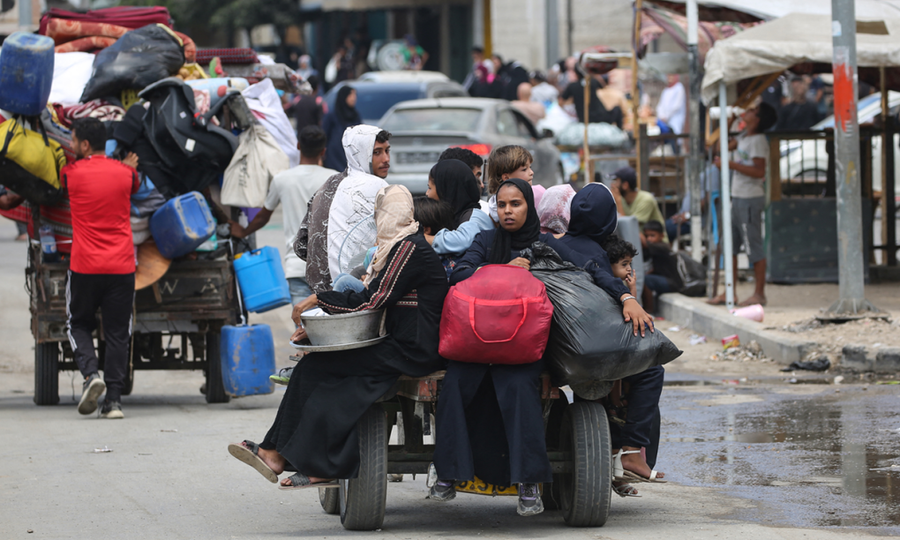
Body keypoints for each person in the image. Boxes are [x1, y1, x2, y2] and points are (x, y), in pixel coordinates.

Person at [431, 179, 650, 516]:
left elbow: (591, 269)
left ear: (528, 208)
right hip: (477, 343)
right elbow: (459, 274)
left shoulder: (543, 243)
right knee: (455, 385)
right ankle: (447, 475)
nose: (507, 211)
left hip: (522, 347)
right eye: (502, 205)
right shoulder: (486, 240)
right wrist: (501, 270)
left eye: (515, 204)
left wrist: (625, 297)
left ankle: (529, 483)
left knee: (521, 389)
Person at [228, 185, 448, 489]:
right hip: (398, 343)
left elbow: (372, 300)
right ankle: (275, 452)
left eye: (379, 212)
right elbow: (372, 300)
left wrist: (319, 300)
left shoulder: (409, 248)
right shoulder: (395, 248)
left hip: (413, 349)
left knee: (324, 374)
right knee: (309, 367)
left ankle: (318, 463)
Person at [61, 118, 140, 419]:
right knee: (118, 333)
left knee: (78, 323)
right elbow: (135, 183)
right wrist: (129, 167)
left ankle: (91, 375)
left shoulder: (70, 173)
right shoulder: (126, 174)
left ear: (83, 144)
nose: (69, 143)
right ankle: (115, 402)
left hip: (84, 266)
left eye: (72, 139)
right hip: (121, 267)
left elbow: (60, 188)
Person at [229, 126, 336, 305]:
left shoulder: (282, 179)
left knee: (302, 327)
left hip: (296, 266)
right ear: (323, 151)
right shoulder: (333, 179)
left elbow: (263, 216)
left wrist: (243, 232)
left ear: (298, 146)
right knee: (328, 327)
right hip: (327, 269)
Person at [293, 125, 390, 295]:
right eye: (377, 153)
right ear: (360, 154)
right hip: (360, 294)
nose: (386, 159)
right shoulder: (379, 186)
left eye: (387, 151)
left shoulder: (328, 185)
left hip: (322, 295)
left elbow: (301, 245)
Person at [709, 102, 777, 307]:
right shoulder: (744, 138)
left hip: (749, 197)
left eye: (752, 111)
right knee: (731, 244)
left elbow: (759, 171)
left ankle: (759, 293)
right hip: (738, 196)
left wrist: (730, 164)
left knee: (752, 245)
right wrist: (729, 120)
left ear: (757, 119)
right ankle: (730, 291)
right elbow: (719, 147)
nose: (747, 112)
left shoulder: (757, 141)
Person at [426, 160, 494, 276]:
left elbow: (463, 240)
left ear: (446, 190)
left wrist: (427, 239)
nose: (427, 193)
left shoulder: (475, 216)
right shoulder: (456, 215)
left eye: (430, 188)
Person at [610, 166, 668, 243]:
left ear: (625, 185)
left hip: (655, 244)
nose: (612, 185)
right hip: (636, 241)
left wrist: (618, 200)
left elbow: (628, 226)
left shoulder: (646, 199)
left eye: (616, 181)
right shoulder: (622, 199)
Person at [640, 221, 683, 313]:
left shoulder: (661, 247)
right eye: (647, 236)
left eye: (652, 235)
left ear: (661, 236)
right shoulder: (658, 247)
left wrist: (636, 231)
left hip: (674, 283)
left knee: (645, 280)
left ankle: (649, 310)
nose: (649, 239)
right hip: (667, 280)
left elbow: (645, 243)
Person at [486, 145, 534, 223]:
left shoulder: (535, 193)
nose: (531, 172)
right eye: (524, 169)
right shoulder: (494, 209)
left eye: (530, 167)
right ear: (506, 177)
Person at [322, 86, 361, 172]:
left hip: (351, 157)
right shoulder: (332, 116)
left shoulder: (355, 116)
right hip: (334, 158)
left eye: (355, 95)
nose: (354, 98)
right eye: (351, 95)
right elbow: (324, 135)